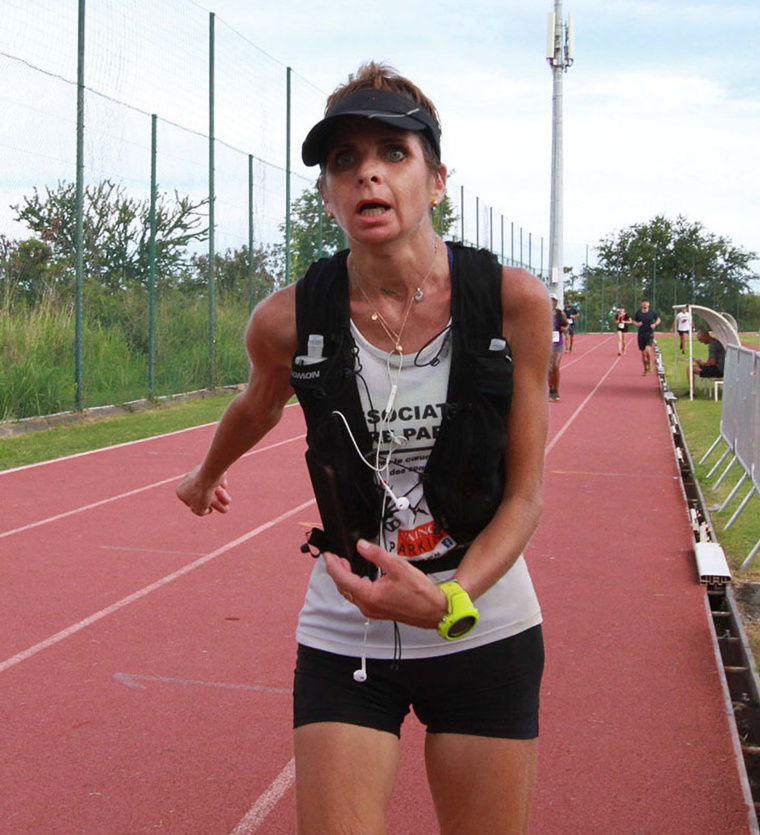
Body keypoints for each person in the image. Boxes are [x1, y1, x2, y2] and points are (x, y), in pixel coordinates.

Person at [176, 62, 550, 834]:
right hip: (348, 623)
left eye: (392, 151)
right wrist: (204, 472)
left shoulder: (511, 301)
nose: (367, 172)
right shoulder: (287, 318)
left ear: (436, 179)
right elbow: (257, 405)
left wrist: (450, 598)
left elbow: (523, 497)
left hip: (480, 619)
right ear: (326, 194)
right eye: (343, 160)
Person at [633, 298, 661, 375]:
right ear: (641, 304)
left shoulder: (652, 312)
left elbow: (658, 319)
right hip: (641, 334)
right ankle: (645, 368)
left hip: (649, 333)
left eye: (646, 302)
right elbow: (634, 321)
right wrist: (637, 324)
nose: (645, 304)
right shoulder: (639, 313)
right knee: (643, 354)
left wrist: (655, 324)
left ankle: (649, 362)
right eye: (643, 303)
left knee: (648, 350)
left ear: (649, 304)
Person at [549, 296, 568, 400]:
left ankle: (555, 390)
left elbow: (567, 325)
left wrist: (564, 329)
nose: (552, 302)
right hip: (546, 344)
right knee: (549, 369)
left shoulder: (561, 314)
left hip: (558, 343)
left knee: (556, 365)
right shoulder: (543, 313)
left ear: (556, 302)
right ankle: (550, 390)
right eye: (550, 300)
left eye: (554, 300)